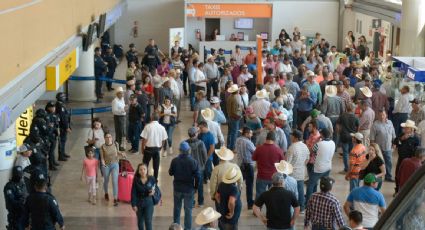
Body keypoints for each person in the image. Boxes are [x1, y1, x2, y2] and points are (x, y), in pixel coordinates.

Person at [169, 141, 199, 230]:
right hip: (189, 189)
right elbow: (198, 176)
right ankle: (187, 228)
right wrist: (196, 187)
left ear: (180, 150)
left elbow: (170, 173)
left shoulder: (175, 161)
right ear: (188, 150)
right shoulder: (193, 161)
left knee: (177, 209)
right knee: (188, 210)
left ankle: (176, 227)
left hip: (177, 188)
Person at [306, 128, 336, 204]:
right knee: (324, 185)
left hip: (318, 168)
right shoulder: (333, 143)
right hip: (328, 167)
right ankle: (321, 200)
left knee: (310, 185)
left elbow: (311, 151)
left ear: (322, 135)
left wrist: (316, 140)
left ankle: (308, 202)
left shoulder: (319, 144)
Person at [252, 132, 284, 198]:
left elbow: (253, 158)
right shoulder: (278, 150)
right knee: (273, 197)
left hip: (261, 176)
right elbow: (282, 162)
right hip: (274, 177)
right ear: (274, 140)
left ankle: (258, 208)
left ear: (266, 138)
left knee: (259, 196)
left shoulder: (259, 149)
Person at [140, 113, 168, 182]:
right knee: (156, 165)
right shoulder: (162, 127)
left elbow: (144, 139)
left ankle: (145, 177)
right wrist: (161, 145)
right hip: (156, 149)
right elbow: (164, 139)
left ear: (151, 118)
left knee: (145, 164)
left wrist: (142, 148)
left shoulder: (148, 126)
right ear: (158, 119)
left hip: (148, 149)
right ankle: (155, 179)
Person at [393, 119, 419, 193]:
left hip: (409, 161)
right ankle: (397, 190)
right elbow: (395, 142)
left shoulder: (415, 139)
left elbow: (417, 151)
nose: (404, 129)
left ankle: (406, 191)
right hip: (401, 159)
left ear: (411, 129)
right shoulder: (401, 135)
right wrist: (401, 139)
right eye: (405, 127)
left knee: (407, 176)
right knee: (398, 174)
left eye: (406, 128)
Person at [287, 129, 310, 212]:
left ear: (295, 137)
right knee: (300, 191)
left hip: (292, 174)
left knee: (291, 191)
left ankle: (292, 207)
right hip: (301, 172)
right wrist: (302, 165)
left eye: (291, 135)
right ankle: (302, 208)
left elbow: (287, 163)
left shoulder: (292, 148)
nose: (290, 136)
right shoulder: (305, 146)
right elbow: (307, 159)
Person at [369, 110, 395, 182]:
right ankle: (377, 177)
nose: (382, 116)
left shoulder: (390, 123)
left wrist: (394, 143)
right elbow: (372, 138)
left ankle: (388, 177)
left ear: (386, 115)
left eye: (383, 115)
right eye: (380, 115)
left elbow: (393, 134)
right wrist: (372, 148)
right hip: (378, 149)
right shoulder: (375, 124)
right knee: (378, 163)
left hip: (388, 147)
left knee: (389, 162)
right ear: (378, 116)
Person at [101, 132, 126, 206]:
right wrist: (103, 164)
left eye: (110, 137)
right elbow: (102, 158)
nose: (108, 138)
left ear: (112, 138)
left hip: (115, 164)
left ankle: (115, 198)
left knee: (115, 181)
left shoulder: (116, 144)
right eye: (107, 137)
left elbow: (117, 152)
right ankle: (106, 193)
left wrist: (121, 153)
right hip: (106, 165)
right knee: (106, 180)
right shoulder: (102, 147)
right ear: (104, 138)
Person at [234, 127, 256, 209]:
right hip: (248, 165)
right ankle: (250, 203)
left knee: (239, 184)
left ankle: (236, 201)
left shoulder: (238, 140)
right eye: (250, 133)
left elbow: (236, 150)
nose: (251, 134)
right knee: (249, 185)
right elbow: (254, 152)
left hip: (240, 165)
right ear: (246, 134)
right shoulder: (248, 142)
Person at [186, 127, 208, 207]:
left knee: (191, 184)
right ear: (195, 134)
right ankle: (201, 202)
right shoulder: (201, 143)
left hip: (189, 168)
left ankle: (192, 202)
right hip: (199, 167)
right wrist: (203, 164)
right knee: (200, 185)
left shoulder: (185, 143)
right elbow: (205, 155)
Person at [131, 163, 156, 230]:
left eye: (144, 169)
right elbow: (133, 192)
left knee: (148, 221)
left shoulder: (151, 178)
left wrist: (153, 192)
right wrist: (134, 204)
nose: (143, 171)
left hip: (149, 202)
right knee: (140, 221)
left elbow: (155, 188)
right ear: (138, 171)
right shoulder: (136, 180)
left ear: (147, 170)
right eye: (141, 169)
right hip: (139, 202)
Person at [3, 166, 27, 230]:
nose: (19, 176)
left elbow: (25, 195)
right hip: (15, 215)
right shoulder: (9, 186)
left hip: (23, 213)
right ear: (14, 175)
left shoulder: (22, 183)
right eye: (18, 175)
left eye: (20, 174)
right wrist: (22, 202)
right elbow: (11, 201)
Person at [338, 104, 359, 173]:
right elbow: (358, 126)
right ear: (353, 109)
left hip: (344, 136)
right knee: (351, 153)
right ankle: (352, 168)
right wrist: (355, 133)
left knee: (345, 153)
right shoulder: (355, 117)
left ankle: (346, 169)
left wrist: (339, 132)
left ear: (346, 108)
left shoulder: (343, 116)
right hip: (352, 137)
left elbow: (338, 125)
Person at [226, 84, 243, 150]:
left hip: (230, 116)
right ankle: (232, 147)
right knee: (234, 133)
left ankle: (229, 146)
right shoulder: (235, 98)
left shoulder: (230, 96)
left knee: (230, 132)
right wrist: (238, 117)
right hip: (234, 117)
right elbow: (234, 111)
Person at [55, 92, 71, 161]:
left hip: (63, 126)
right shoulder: (60, 106)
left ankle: (63, 153)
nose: (64, 98)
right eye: (63, 97)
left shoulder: (60, 105)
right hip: (62, 127)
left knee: (63, 141)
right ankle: (61, 156)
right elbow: (63, 117)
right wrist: (66, 127)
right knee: (61, 141)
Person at [45, 101, 60, 170]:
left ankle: (53, 162)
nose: (53, 108)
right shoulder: (47, 116)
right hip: (50, 135)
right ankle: (51, 165)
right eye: (52, 107)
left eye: (54, 107)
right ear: (48, 108)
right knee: (51, 151)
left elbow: (55, 124)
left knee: (53, 150)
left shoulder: (53, 114)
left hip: (54, 134)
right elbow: (49, 126)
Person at [111, 87, 127, 151]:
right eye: (121, 93)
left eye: (122, 93)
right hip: (118, 117)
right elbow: (114, 111)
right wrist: (123, 110)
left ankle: (119, 144)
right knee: (119, 132)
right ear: (117, 94)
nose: (122, 94)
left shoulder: (122, 99)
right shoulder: (115, 101)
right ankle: (118, 146)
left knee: (122, 131)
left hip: (122, 117)